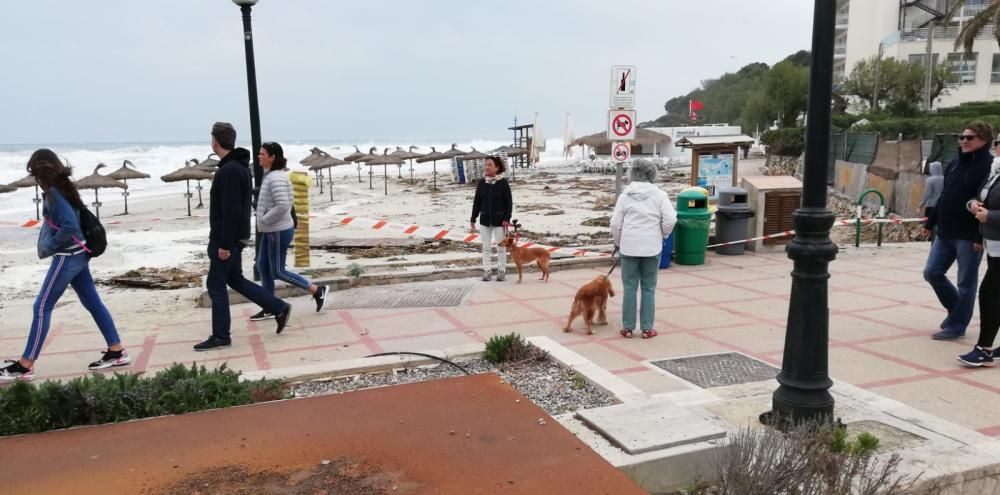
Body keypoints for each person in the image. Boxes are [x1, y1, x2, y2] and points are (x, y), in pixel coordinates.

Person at [0, 150, 129, 381]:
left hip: (68, 256)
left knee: (41, 307)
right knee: (92, 302)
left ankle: (25, 365)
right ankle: (116, 351)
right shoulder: (64, 189)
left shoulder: (54, 194)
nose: (35, 181)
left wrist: (50, 244)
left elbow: (70, 225)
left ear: (41, 173)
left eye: (35, 175)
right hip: (80, 255)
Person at [196, 122, 292, 351]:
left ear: (215, 141)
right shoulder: (238, 167)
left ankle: (221, 336)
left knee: (215, 285)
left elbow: (231, 210)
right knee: (235, 279)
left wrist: (225, 244)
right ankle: (278, 307)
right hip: (234, 237)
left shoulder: (229, 170)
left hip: (226, 240)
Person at [922, 122, 993, 341]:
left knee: (966, 283)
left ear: (983, 139)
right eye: (961, 137)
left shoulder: (989, 166)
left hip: (969, 235)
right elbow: (944, 196)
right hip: (944, 231)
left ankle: (957, 325)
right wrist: (929, 224)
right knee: (932, 272)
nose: (963, 141)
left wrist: (980, 235)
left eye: (969, 138)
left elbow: (987, 201)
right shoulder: (954, 163)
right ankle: (957, 310)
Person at [249, 142, 328, 321]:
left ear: (272, 157)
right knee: (263, 266)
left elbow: (283, 205)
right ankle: (269, 306)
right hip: (271, 230)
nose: (259, 156)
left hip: (277, 230)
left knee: (278, 271)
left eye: (262, 154)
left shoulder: (276, 178)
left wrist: (264, 219)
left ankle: (317, 290)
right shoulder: (272, 175)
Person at [610, 159, 677, 339]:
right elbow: (671, 219)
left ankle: (628, 328)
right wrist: (662, 234)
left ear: (632, 173)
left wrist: (618, 241)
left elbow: (615, 223)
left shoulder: (625, 195)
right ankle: (647, 328)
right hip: (651, 247)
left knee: (630, 287)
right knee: (649, 288)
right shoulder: (660, 195)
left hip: (629, 246)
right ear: (651, 174)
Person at [957, 145, 1000, 366]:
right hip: (993, 242)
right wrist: (973, 204)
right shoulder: (995, 170)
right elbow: (983, 197)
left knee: (989, 294)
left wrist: (990, 216)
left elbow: (992, 211)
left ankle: (984, 349)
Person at [470, 155, 513, 281]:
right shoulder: (482, 183)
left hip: (500, 221)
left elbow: (509, 203)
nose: (487, 167)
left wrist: (507, 218)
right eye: (486, 164)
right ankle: (487, 271)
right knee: (486, 247)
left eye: (490, 165)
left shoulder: (503, 183)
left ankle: (501, 270)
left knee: (500, 247)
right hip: (484, 220)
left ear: (497, 167)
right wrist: (473, 218)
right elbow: (477, 201)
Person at [919, 161, 944, 241]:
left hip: (931, 205)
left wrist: (920, 205)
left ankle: (932, 240)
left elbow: (927, 193)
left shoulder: (930, 180)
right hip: (942, 204)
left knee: (931, 224)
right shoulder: (946, 178)